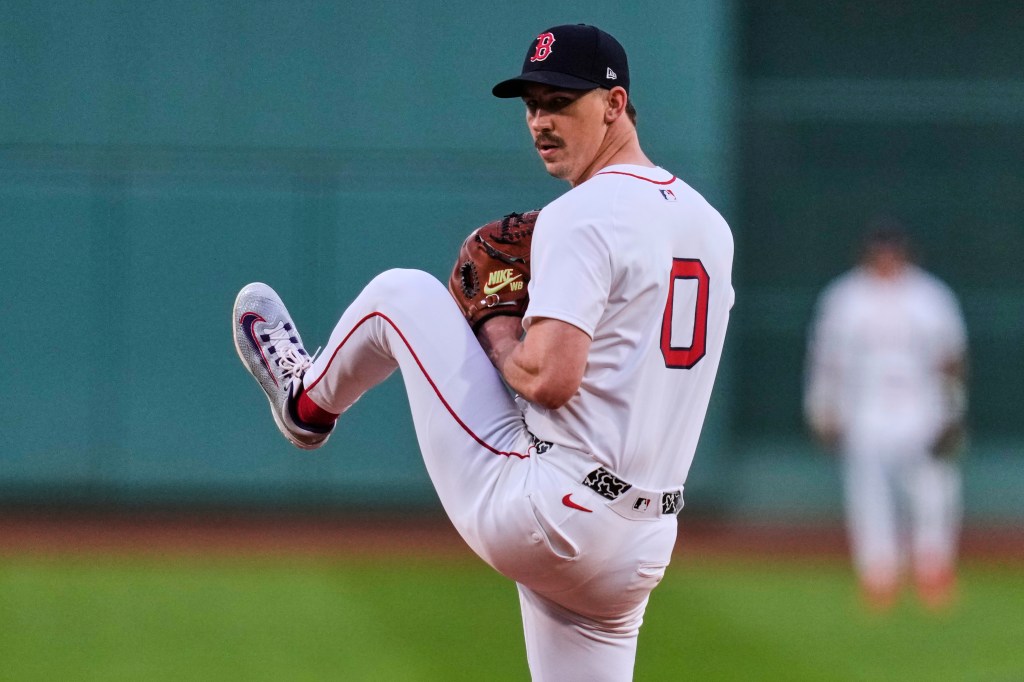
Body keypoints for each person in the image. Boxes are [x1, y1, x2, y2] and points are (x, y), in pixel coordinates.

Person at [233, 23, 734, 680]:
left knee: (402, 295)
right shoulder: (709, 225)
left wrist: (496, 323)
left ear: (614, 105)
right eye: (531, 104)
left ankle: (306, 401)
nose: (540, 121)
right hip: (640, 545)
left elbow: (550, 380)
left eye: (560, 102)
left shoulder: (581, 215)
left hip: (551, 513)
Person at [803, 219, 968, 612]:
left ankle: (933, 569)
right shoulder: (844, 297)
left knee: (933, 491)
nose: (887, 258)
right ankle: (879, 574)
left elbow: (951, 359)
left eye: (893, 250)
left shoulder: (930, 295)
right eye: (880, 250)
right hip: (866, 407)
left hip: (922, 404)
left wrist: (954, 409)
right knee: (869, 495)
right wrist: (823, 407)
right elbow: (827, 360)